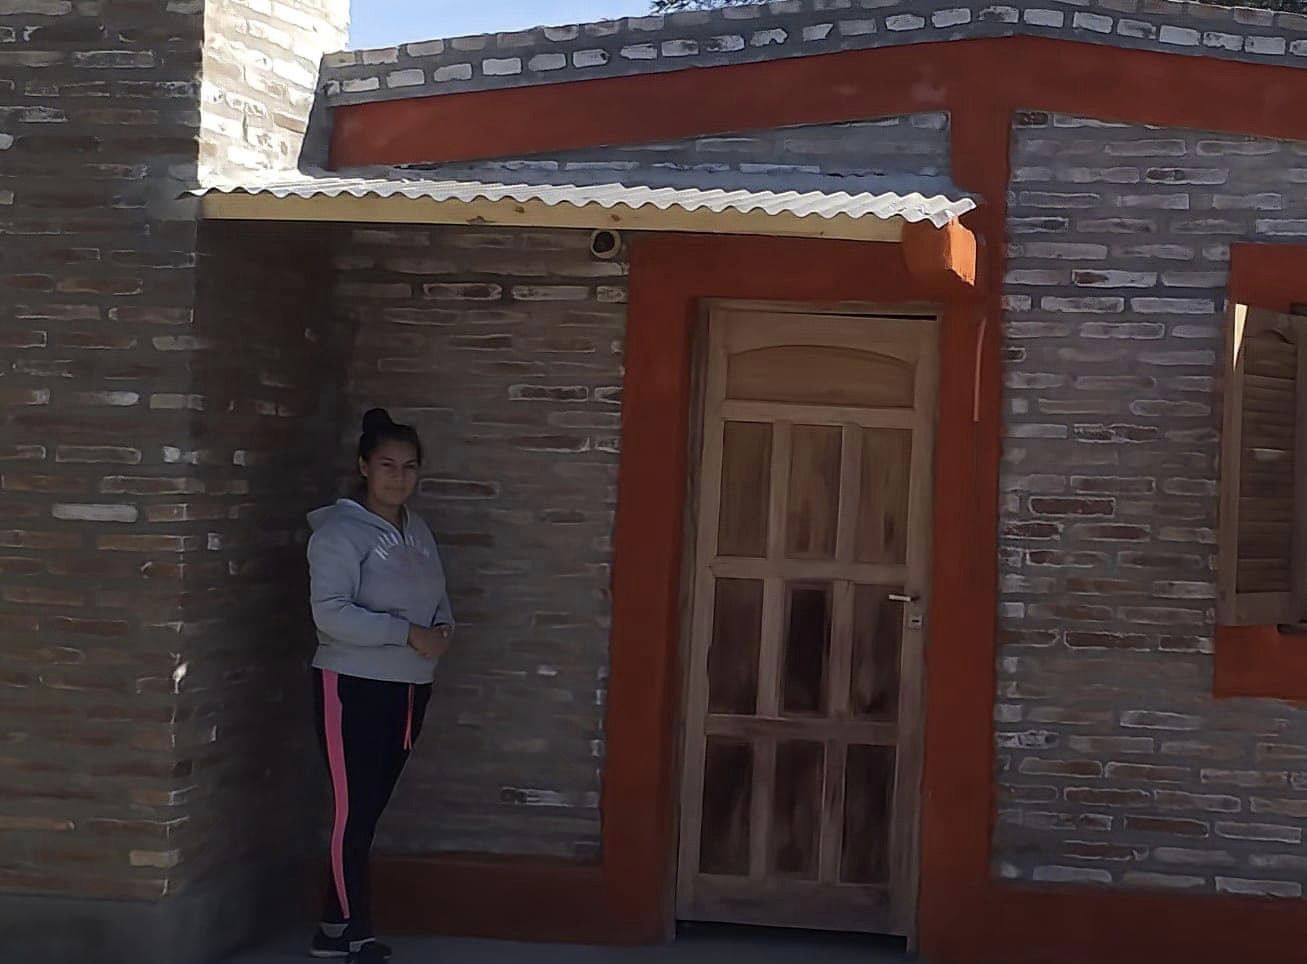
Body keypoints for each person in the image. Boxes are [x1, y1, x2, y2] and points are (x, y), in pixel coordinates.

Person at [306, 408, 454, 963]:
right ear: (364, 466)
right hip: (352, 688)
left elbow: (439, 600)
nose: (399, 477)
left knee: (367, 813)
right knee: (353, 811)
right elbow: (331, 614)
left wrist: (442, 631)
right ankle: (355, 934)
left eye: (409, 466)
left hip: (410, 689)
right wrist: (406, 633)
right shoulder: (339, 534)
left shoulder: (418, 530)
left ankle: (331, 928)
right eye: (387, 465)